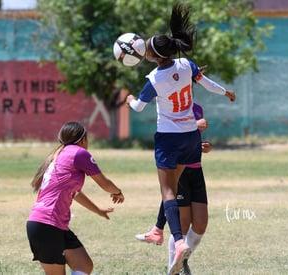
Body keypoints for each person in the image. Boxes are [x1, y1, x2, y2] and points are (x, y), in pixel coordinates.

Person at [125, 3, 235, 274]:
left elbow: (139, 107)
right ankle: (156, 230)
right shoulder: (186, 65)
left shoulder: (153, 79)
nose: (146, 52)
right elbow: (207, 83)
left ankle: (176, 241)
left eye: (148, 49)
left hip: (169, 138)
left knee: (168, 191)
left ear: (153, 56)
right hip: (190, 138)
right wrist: (225, 93)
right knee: (172, 187)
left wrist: (129, 99)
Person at [26, 121, 125, 275]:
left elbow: (74, 193)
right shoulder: (79, 153)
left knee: (84, 265)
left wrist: (98, 210)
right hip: (47, 224)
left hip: (50, 224)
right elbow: (103, 182)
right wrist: (117, 192)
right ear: (83, 139)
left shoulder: (60, 154)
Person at [135, 103, 211, 275]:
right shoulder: (172, 104)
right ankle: (174, 269)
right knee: (183, 224)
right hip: (179, 168)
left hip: (196, 169)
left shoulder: (198, 107)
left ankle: (181, 260)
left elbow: (190, 140)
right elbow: (171, 134)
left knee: (200, 223)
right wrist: (194, 126)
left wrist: (203, 146)